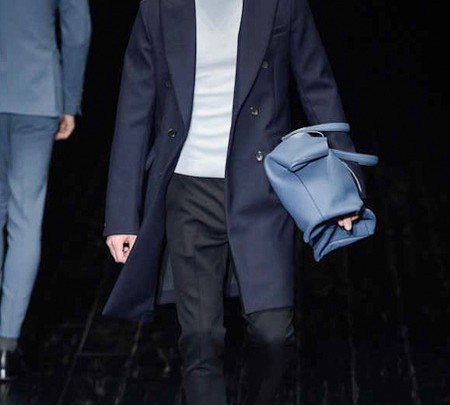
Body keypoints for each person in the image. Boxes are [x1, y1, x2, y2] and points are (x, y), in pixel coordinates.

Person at [103, 0, 366, 403]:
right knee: (200, 338)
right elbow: (134, 107)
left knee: (273, 334)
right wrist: (123, 213)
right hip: (187, 189)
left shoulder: (282, 5)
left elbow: (318, 87)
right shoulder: (159, 7)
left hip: (261, 192)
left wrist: (345, 184)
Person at [0, 0, 91, 381]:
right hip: (36, 92)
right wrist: (69, 100)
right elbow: (78, 30)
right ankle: (5, 346)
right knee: (25, 220)